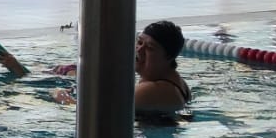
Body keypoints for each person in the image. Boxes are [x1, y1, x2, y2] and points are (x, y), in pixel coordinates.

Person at [51, 21, 193, 117]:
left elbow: (91, 113)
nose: (139, 50)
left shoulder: (155, 90)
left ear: (169, 57)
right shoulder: (174, 83)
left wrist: (62, 96)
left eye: (150, 48)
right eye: (139, 42)